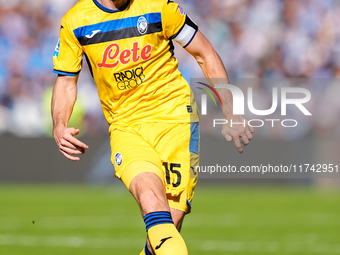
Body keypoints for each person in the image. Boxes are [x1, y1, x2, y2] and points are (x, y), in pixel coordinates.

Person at [51, 0, 254, 254]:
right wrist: (59, 125)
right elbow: (67, 81)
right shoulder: (75, 21)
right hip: (127, 127)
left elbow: (205, 53)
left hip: (176, 120)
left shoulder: (159, 6)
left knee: (169, 224)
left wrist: (229, 109)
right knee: (151, 203)